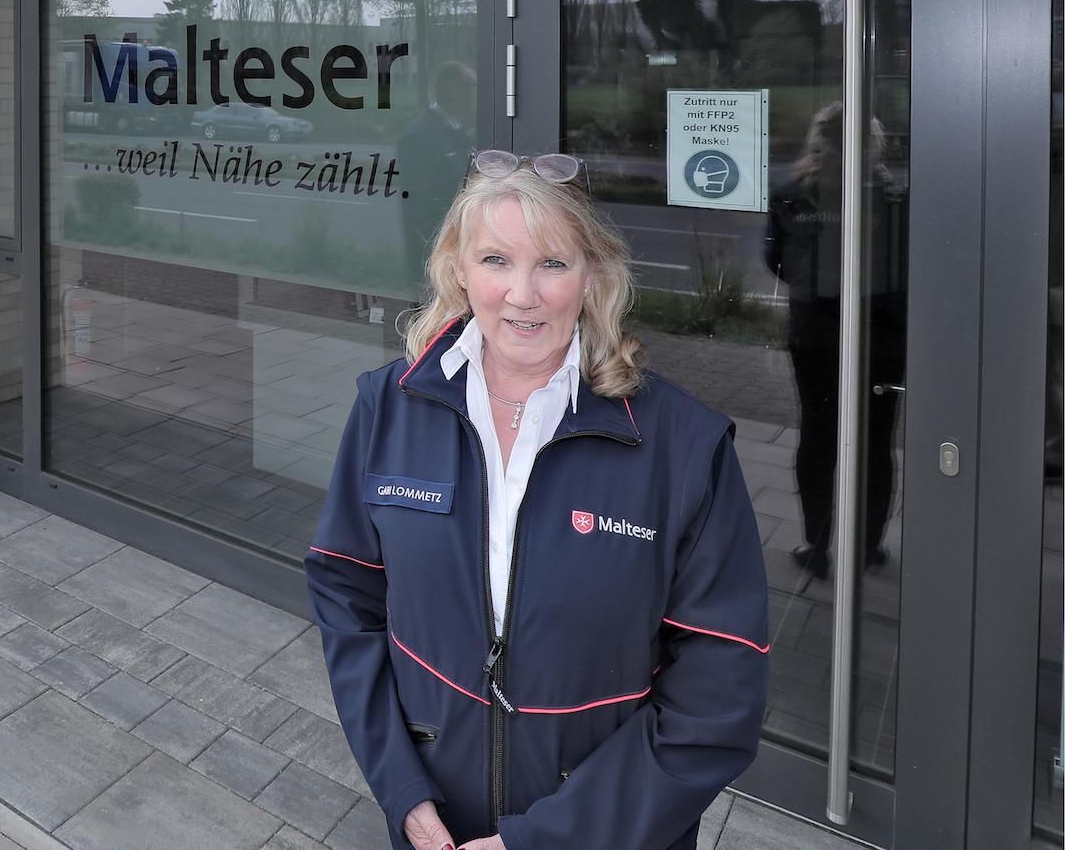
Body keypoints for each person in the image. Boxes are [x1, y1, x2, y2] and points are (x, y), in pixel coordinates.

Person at [306, 150, 769, 849]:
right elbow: (347, 598)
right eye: (495, 260)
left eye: (552, 263)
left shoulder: (683, 446)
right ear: (458, 268)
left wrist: (545, 838)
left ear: (593, 276)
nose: (522, 294)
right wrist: (402, 789)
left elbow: (718, 695)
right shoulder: (387, 408)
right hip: (434, 829)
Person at [764, 101, 907, 579]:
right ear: (874, 143)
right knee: (875, 439)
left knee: (819, 434)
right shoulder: (894, 197)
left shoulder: (791, 196)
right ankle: (867, 547)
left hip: (816, 334)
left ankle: (818, 545)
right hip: (883, 335)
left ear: (817, 141)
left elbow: (776, 263)